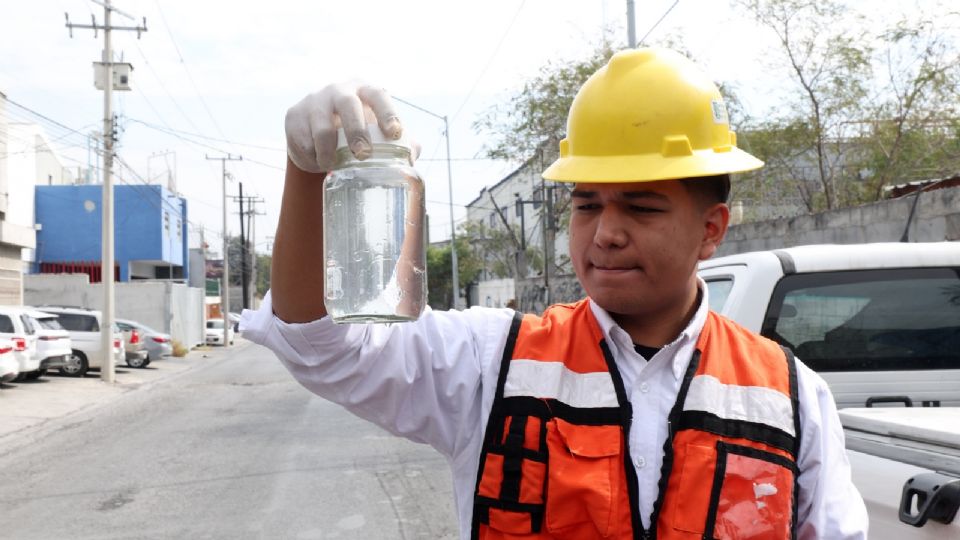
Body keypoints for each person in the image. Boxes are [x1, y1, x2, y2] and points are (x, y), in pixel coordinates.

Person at [240, 48, 868, 539]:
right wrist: (306, 171)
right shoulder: (494, 363)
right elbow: (320, 344)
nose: (606, 233)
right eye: (586, 205)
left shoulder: (791, 397)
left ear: (712, 229)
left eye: (642, 207)